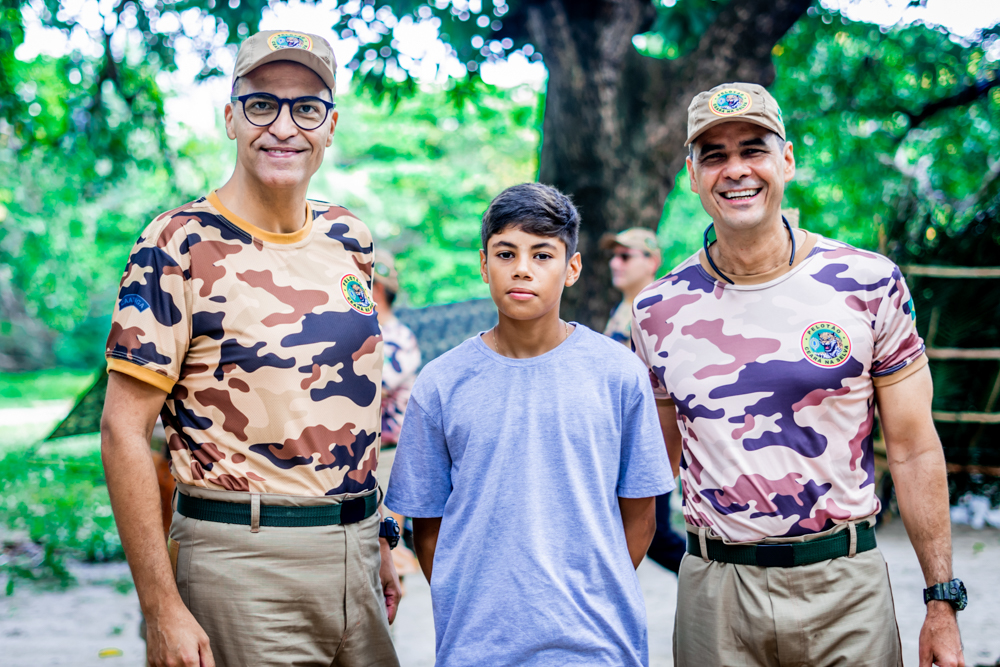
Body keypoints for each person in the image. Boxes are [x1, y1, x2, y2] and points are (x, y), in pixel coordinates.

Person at [631, 82, 966, 667]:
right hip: (717, 593)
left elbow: (913, 451)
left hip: (846, 587)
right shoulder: (656, 312)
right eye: (714, 155)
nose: (735, 170)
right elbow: (651, 469)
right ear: (692, 174)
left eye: (753, 149)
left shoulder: (867, 283)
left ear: (787, 159)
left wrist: (942, 602)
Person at [100, 30, 401, 667]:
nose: (284, 127)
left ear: (330, 125)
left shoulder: (351, 238)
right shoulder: (176, 244)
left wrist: (376, 535)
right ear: (231, 117)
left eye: (306, 108)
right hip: (242, 565)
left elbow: (354, 404)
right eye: (262, 104)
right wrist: (160, 608)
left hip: (356, 556)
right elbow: (122, 432)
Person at [385, 183, 674, 667]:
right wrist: (473, 604)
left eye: (543, 254)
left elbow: (641, 516)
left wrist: (592, 595)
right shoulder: (440, 383)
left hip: (598, 644)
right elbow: (428, 526)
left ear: (573, 268)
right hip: (477, 647)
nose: (522, 267)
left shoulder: (618, 374)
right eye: (506, 252)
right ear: (483, 265)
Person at [601, 228, 686, 574]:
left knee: (654, 535)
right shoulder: (624, 308)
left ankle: (712, 580)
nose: (615, 263)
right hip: (622, 442)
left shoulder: (658, 310)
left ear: (652, 261)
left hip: (649, 441)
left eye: (626, 255)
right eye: (614, 255)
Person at [370, 248, 421, 573]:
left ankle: (393, 622)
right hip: (364, 455)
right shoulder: (364, 333)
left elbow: (374, 387)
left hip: (390, 456)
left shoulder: (398, 338)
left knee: (389, 545)